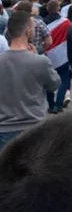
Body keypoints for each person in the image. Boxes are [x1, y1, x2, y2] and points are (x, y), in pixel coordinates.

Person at [0, 10, 60, 148]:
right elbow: (54, 84)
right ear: (27, 30)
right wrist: (36, 56)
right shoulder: (40, 61)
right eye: (32, 27)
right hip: (34, 126)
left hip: (4, 128)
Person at [43, 0, 72, 114]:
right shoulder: (66, 22)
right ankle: (59, 105)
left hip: (47, 55)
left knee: (49, 81)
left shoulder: (43, 23)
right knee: (64, 80)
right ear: (58, 8)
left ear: (47, 9)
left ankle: (51, 105)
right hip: (63, 55)